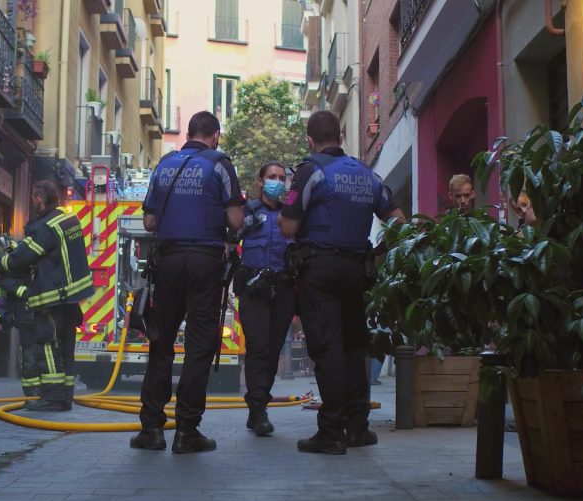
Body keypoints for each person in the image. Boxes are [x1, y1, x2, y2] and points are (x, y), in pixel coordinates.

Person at [279, 110, 406, 455]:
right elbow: (398, 222)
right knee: (354, 348)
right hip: (356, 271)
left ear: (310, 140)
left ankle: (331, 431)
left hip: (319, 270)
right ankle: (358, 428)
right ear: (341, 137)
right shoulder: (367, 174)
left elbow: (288, 228)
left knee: (327, 349)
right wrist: (377, 253)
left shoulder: (310, 170)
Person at [130, 111, 244, 454]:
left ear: (190, 133)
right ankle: (186, 431)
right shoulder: (220, 164)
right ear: (215, 135)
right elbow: (237, 218)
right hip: (204, 263)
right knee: (198, 346)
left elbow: (149, 222)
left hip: (168, 261)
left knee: (160, 343)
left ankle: (151, 428)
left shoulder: (164, 164)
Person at [0, 180, 93, 412]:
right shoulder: (70, 220)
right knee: (67, 348)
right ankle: (66, 396)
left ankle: (52, 398)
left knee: (47, 346)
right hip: (71, 299)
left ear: (39, 200)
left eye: (33, 200)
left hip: (51, 299)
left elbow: (21, 260)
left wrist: (4, 258)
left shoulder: (45, 227)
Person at [234, 161, 295, 436]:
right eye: (272, 177)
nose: (277, 182)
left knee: (273, 350)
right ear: (260, 181)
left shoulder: (290, 217)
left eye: (282, 178)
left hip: (283, 288)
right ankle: (258, 409)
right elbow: (229, 236)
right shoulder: (248, 213)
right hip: (254, 287)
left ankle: (259, 403)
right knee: (258, 348)